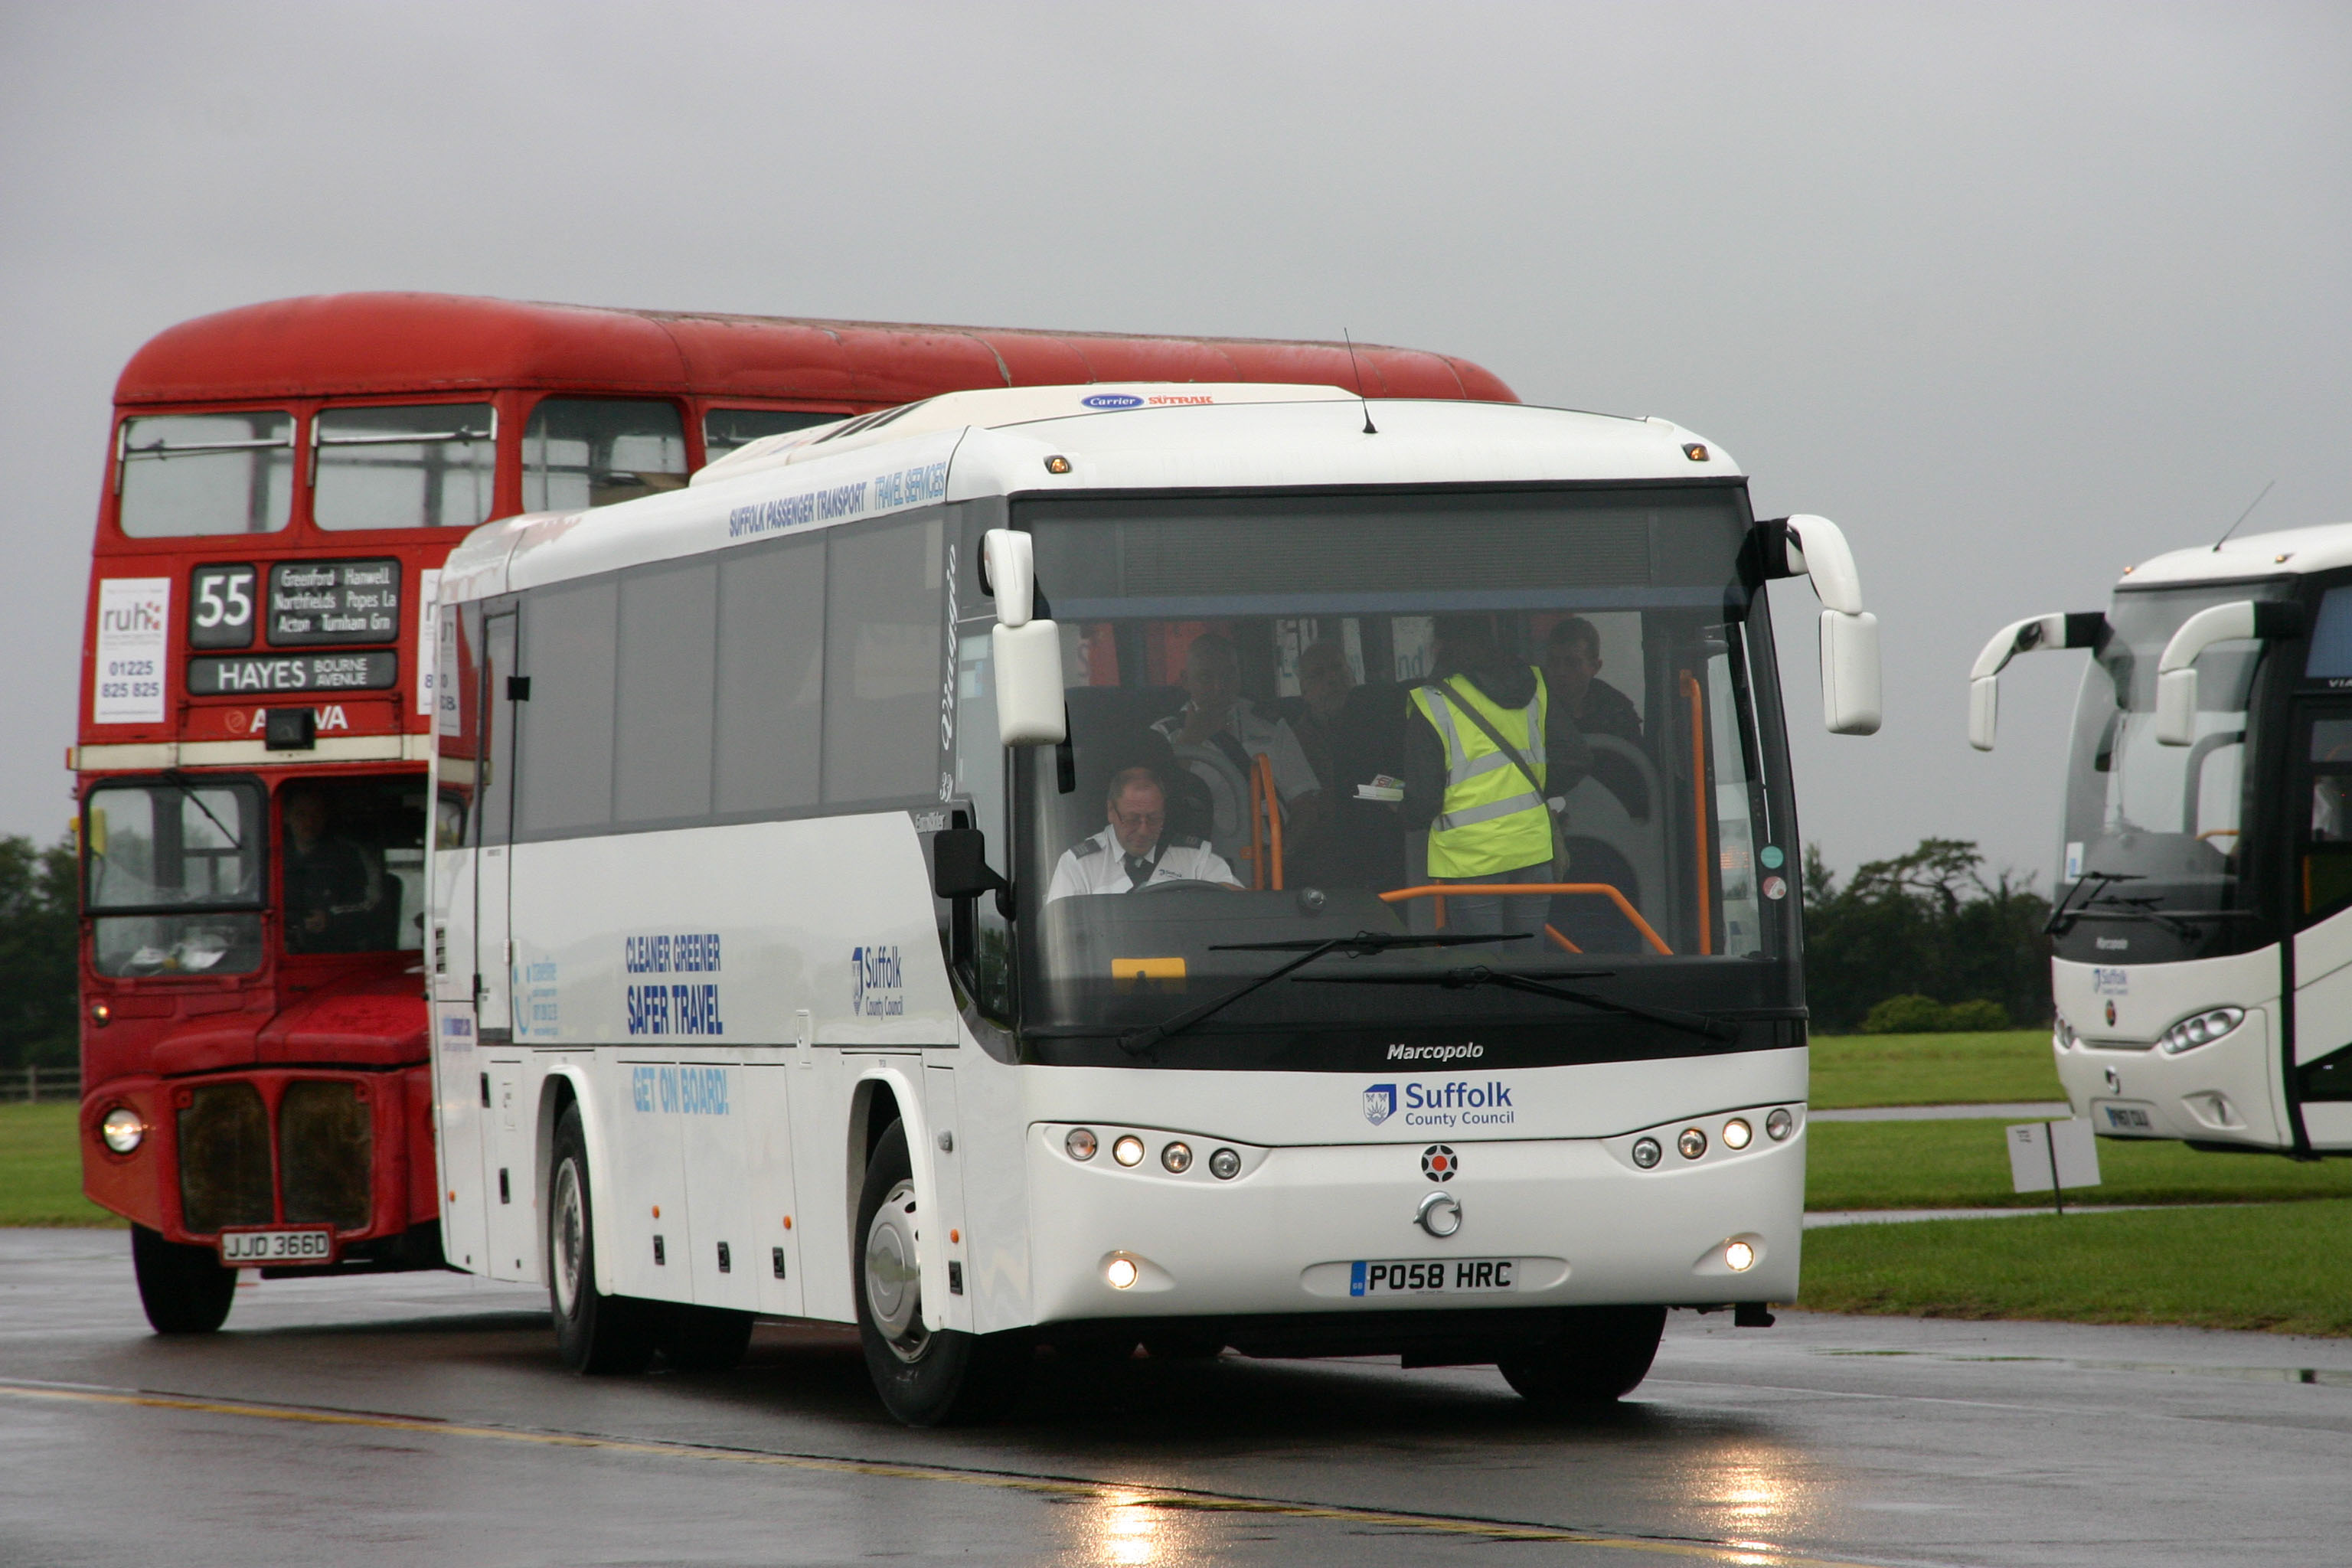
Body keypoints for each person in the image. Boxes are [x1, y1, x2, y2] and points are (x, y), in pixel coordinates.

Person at [1402, 616, 1592, 936]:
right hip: (1532, 851)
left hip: (1472, 860)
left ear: (1440, 646)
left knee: (1483, 960)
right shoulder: (1534, 684)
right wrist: (1531, 789)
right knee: (1529, 958)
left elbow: (1423, 800)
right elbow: (1576, 757)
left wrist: (1400, 808)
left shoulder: (1431, 702)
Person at [1152, 632, 1322, 859]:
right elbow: (1150, 805)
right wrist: (1191, 739)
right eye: (1206, 677)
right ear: (1185, 680)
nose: (1219, 687)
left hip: (1269, 860)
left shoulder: (1270, 726)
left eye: (1228, 675)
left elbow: (1305, 805)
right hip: (1194, 862)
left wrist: (1280, 857)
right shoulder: (1163, 736)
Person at [1047, 767, 1242, 900]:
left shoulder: (1196, 859)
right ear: (1111, 811)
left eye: (1154, 819)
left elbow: (1239, 906)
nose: (1143, 830)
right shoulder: (1079, 865)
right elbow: (1062, 935)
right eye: (1132, 819)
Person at [281, 788, 384, 953]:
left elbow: (375, 906)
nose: (309, 822)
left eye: (317, 814)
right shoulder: (271, 856)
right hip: (283, 953)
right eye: (301, 814)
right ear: (286, 816)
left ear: (326, 817)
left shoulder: (352, 855)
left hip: (339, 953)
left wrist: (331, 919)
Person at [1543, 617, 1644, 746]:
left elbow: (1633, 756)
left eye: (1572, 663)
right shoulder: (1532, 705)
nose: (1560, 672)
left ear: (1595, 667)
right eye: (1553, 662)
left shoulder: (1617, 712)